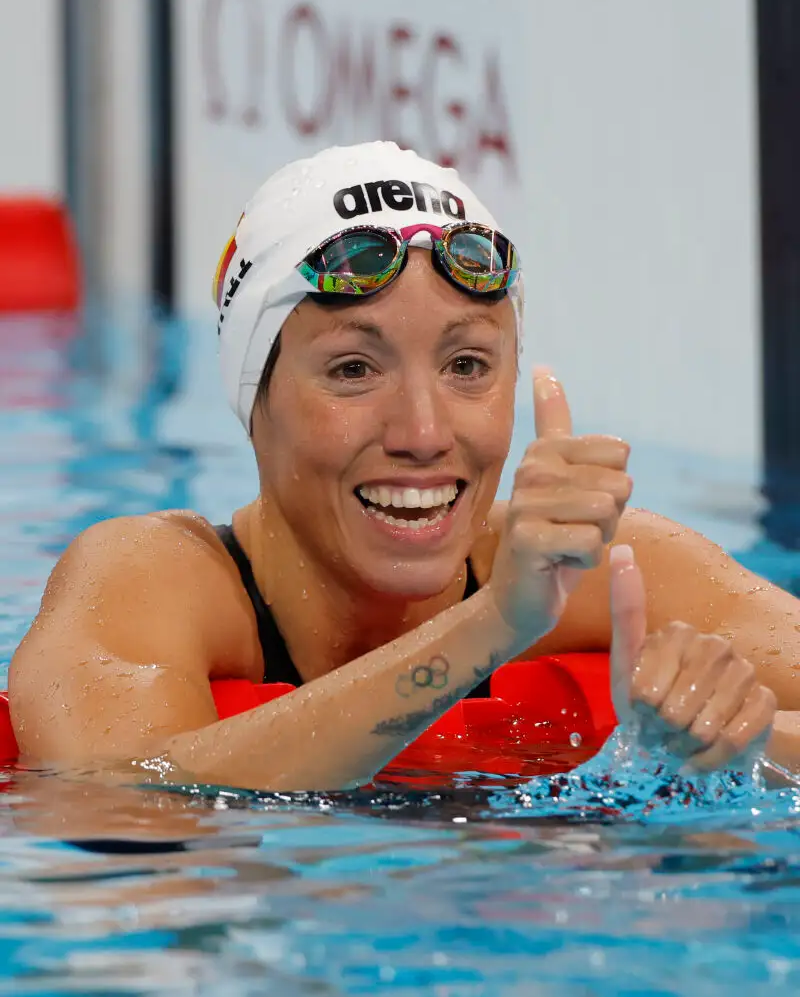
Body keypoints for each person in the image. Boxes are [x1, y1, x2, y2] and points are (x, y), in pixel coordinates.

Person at [8, 142, 799, 792]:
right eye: (354, 369)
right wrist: (497, 623)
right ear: (256, 404)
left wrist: (733, 750)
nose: (423, 431)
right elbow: (104, 798)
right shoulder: (150, 579)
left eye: (467, 366)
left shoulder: (610, 571)